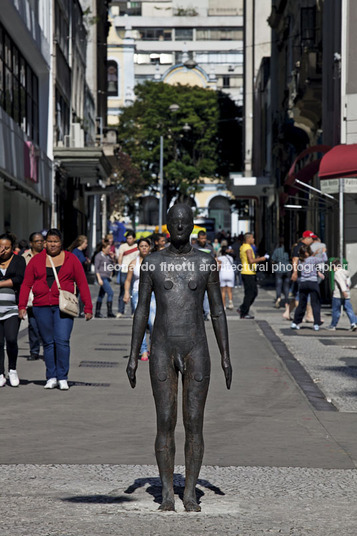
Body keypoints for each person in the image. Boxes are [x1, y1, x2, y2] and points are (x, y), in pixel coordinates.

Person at [126, 204, 232, 512]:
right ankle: (168, 492)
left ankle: (190, 493)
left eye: (187, 223)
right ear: (168, 226)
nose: (181, 228)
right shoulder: (152, 262)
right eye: (176, 223)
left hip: (196, 347)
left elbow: (217, 311)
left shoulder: (205, 262)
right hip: (162, 347)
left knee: (194, 422)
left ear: (192, 225)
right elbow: (141, 310)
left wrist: (225, 355)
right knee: (165, 421)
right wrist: (134, 354)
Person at [18, 229, 93, 390]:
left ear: (61, 243)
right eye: (50, 241)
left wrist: (88, 307)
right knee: (48, 343)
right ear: (45, 243)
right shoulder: (36, 261)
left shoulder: (71, 259)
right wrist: (22, 305)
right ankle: (51, 376)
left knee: (62, 340)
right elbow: (26, 284)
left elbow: (82, 284)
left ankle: (63, 376)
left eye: (56, 241)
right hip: (41, 306)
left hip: (64, 307)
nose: (53, 244)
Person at [0, 233, 26, 387]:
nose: (3, 250)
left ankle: (12, 369)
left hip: (11, 308)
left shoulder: (18, 260)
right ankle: (0, 373)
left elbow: (19, 279)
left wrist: (1, 284)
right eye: (0, 247)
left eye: (6, 247)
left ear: (12, 248)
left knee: (11, 339)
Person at [124, 238, 156, 361]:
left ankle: (153, 347)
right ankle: (143, 350)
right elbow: (128, 280)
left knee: (153, 322)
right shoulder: (134, 263)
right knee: (140, 323)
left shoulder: (155, 262)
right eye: (141, 246)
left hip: (152, 294)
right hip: (137, 293)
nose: (144, 248)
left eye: (146, 246)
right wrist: (126, 293)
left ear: (149, 248)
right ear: (138, 248)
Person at [291, 244, 325, 331]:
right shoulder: (313, 259)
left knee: (302, 304)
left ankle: (295, 322)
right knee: (315, 303)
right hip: (312, 282)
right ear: (307, 252)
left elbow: (309, 260)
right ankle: (316, 323)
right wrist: (324, 253)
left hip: (303, 283)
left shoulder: (301, 261)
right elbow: (324, 259)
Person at [22, 232, 45, 360]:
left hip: (46, 294)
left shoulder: (49, 256)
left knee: (47, 325)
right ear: (31, 243)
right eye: (37, 241)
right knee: (33, 325)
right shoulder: (24, 257)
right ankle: (34, 351)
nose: (40, 243)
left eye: (42, 240)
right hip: (31, 296)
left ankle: (48, 349)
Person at [238, 233, 269, 319]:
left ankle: (243, 308)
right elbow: (251, 261)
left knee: (253, 292)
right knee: (250, 293)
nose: (254, 239)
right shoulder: (248, 248)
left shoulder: (243, 246)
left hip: (248, 272)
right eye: (252, 238)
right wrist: (262, 259)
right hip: (248, 273)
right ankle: (243, 312)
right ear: (248, 239)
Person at [328, 259, 357, 331]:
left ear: (335, 266)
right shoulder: (346, 273)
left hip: (338, 295)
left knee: (336, 311)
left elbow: (341, 282)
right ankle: (354, 323)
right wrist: (346, 291)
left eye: (332, 267)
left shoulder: (337, 273)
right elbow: (349, 283)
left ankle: (333, 325)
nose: (332, 269)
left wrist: (343, 291)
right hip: (347, 294)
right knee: (349, 310)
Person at [193, 231, 215, 321]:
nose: (203, 240)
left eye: (204, 238)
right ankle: (197, 313)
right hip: (195, 274)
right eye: (201, 238)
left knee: (206, 295)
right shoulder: (193, 247)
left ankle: (206, 313)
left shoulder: (209, 247)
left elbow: (212, 259)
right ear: (198, 238)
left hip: (206, 274)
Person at [116, 231, 138, 318]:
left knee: (132, 291)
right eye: (127, 238)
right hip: (124, 270)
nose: (128, 240)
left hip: (133, 270)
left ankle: (133, 312)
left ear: (134, 239)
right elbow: (120, 256)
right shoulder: (123, 246)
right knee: (122, 290)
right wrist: (120, 266)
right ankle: (120, 311)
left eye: (130, 238)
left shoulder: (137, 247)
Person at [68, 235, 90, 318]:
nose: (86, 245)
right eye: (85, 243)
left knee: (79, 294)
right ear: (81, 243)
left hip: (81, 275)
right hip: (75, 276)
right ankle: (74, 310)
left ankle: (80, 310)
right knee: (76, 294)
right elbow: (75, 263)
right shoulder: (75, 252)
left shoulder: (82, 252)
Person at [94, 239, 115, 318]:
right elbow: (96, 268)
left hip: (107, 277)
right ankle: (109, 312)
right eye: (108, 248)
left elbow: (112, 265)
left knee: (101, 294)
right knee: (110, 292)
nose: (109, 250)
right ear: (103, 248)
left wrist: (112, 258)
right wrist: (99, 279)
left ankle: (97, 312)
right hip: (102, 277)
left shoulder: (108, 256)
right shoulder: (99, 256)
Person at [271, 238, 291, 315]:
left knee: (278, 285)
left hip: (279, 269)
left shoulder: (277, 250)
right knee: (286, 286)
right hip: (287, 269)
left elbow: (273, 260)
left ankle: (278, 298)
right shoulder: (288, 251)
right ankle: (286, 301)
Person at [217, 246, 235, 310]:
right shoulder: (231, 258)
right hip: (230, 274)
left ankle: (224, 306)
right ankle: (230, 303)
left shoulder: (219, 258)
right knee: (229, 290)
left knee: (223, 291)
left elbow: (218, 267)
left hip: (223, 273)